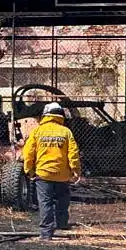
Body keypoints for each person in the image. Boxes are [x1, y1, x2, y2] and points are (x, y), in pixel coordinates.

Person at [23, 102, 81, 240]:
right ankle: (62, 225)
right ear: (60, 115)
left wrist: (29, 170)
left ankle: (46, 233)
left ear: (45, 115)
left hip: (43, 174)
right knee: (62, 200)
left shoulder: (37, 131)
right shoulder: (66, 132)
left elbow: (28, 152)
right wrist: (76, 170)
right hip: (62, 175)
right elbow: (73, 153)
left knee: (45, 202)